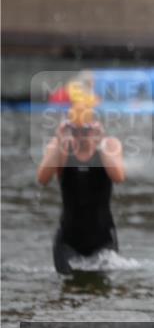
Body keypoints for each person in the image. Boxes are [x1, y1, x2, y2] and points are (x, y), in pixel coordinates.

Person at [36, 96, 125, 275]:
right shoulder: (60, 148)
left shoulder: (110, 145)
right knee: (69, 290)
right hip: (68, 241)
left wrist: (99, 143)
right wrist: (60, 141)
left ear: (95, 127)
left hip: (104, 239)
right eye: (75, 131)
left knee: (102, 293)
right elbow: (42, 179)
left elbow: (118, 176)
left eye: (85, 131)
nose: (80, 136)